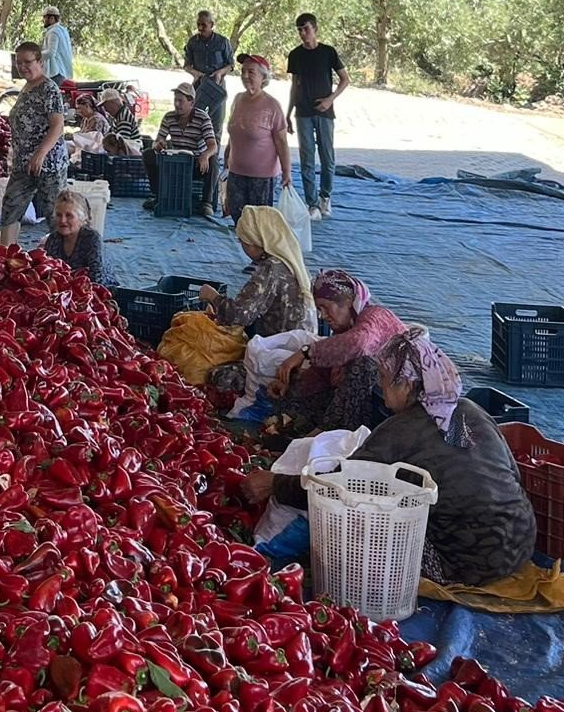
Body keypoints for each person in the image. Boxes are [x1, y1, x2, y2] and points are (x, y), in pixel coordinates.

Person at [247, 328, 536, 586]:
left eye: (385, 379)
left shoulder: (403, 429)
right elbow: (511, 474)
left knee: (351, 528)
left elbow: (335, 489)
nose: (380, 386)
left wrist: (275, 483)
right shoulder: (469, 410)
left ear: (408, 385)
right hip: (521, 543)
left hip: (465, 563)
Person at [266, 269, 406, 439]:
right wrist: (290, 387)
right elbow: (322, 371)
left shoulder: (376, 315)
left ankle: (323, 434)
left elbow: (358, 344)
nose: (323, 316)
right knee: (291, 403)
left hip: (388, 407)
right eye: (319, 309)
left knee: (362, 365)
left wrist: (306, 352)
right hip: (355, 407)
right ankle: (306, 430)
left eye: (325, 307)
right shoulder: (345, 331)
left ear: (347, 302)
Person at [201, 205, 314, 397]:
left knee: (217, 376)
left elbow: (239, 315)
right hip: (297, 354)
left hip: (281, 361)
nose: (241, 245)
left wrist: (212, 297)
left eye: (243, 241)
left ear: (257, 242)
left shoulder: (271, 269)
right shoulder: (291, 261)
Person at [0, 41, 68, 246]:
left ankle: (62, 262)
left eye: (28, 62)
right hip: (23, 163)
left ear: (40, 61)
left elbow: (57, 125)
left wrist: (40, 154)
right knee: (11, 207)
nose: (23, 67)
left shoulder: (49, 89)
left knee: (55, 214)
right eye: (19, 62)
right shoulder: (27, 87)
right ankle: (4, 258)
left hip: (48, 164)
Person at [285, 13, 349, 220]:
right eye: (300, 30)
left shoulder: (328, 52)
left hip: (324, 111)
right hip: (302, 112)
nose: (303, 34)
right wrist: (288, 112)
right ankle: (311, 203)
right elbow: (294, 85)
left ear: (315, 29)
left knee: (327, 157)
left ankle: (325, 197)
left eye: (306, 29)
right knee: (306, 159)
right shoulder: (295, 55)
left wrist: (330, 100)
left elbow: (345, 80)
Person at [223, 55, 293, 222]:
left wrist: (287, 172)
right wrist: (227, 158)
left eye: (251, 72)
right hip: (236, 172)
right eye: (243, 71)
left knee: (258, 223)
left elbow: (282, 142)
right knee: (238, 220)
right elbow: (234, 133)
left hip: (262, 177)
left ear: (263, 77)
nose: (245, 76)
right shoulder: (238, 99)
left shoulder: (272, 106)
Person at [142, 82, 218, 215]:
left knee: (213, 161)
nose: (177, 104)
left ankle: (207, 202)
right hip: (174, 162)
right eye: (175, 100)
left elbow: (213, 145)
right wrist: (158, 145)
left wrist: (205, 155)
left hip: (195, 163)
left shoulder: (202, 118)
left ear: (191, 102)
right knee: (148, 154)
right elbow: (158, 140)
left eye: (181, 101)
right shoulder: (169, 117)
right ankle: (158, 196)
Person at [183, 10, 234, 146]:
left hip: (217, 87)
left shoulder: (223, 42)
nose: (200, 28)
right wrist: (195, 73)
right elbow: (187, 65)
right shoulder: (192, 42)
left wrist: (219, 73)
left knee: (216, 125)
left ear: (212, 24)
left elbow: (231, 65)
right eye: (198, 24)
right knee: (194, 121)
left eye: (204, 25)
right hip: (199, 86)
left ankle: (213, 162)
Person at [41, 190, 106, 283]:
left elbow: (97, 277)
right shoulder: (53, 239)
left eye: (69, 215)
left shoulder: (91, 238)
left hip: (97, 290)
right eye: (59, 215)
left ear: (82, 218)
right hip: (66, 290)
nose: (63, 220)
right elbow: (48, 273)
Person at [97, 88, 142, 154]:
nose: (105, 110)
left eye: (105, 106)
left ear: (112, 103)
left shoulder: (123, 118)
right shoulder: (119, 115)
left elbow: (121, 145)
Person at [40, 5, 74, 84]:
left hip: (56, 72)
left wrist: (35, 56)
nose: (43, 20)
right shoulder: (62, 30)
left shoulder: (53, 32)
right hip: (64, 71)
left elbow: (51, 52)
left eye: (45, 17)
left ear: (51, 18)